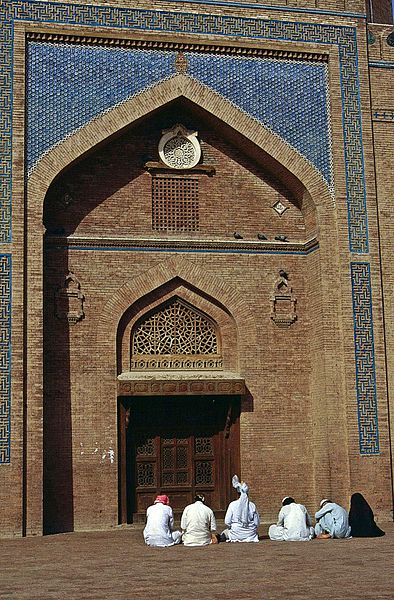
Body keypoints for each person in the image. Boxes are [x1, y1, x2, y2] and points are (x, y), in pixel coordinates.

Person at [220, 475, 260, 542]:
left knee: (225, 532)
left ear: (237, 494)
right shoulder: (252, 505)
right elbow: (257, 523)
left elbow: (227, 522)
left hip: (235, 533)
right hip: (250, 534)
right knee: (257, 534)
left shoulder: (232, 504)